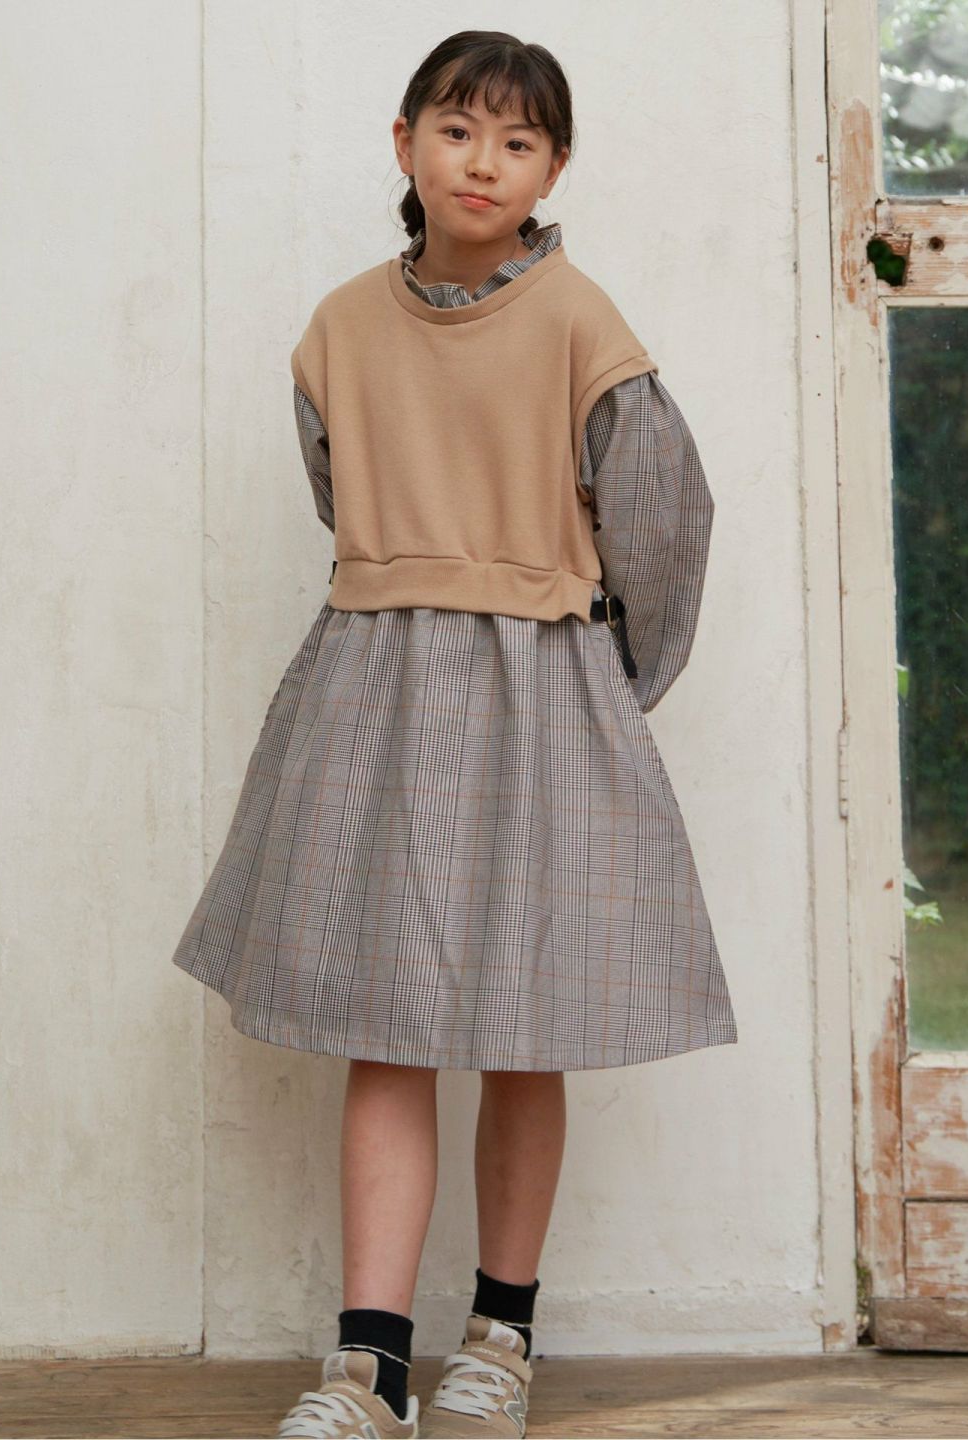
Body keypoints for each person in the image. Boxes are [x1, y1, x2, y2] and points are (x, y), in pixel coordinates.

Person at [171, 28, 738, 1440]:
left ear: (555, 168)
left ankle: (501, 1336)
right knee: (384, 1025)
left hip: (541, 691)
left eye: (518, 141)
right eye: (458, 129)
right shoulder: (338, 329)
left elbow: (662, 523)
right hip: (372, 696)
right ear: (405, 142)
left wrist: (603, 688)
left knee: (524, 1027)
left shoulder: (584, 324)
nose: (484, 162)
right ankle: (367, 1365)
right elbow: (338, 495)